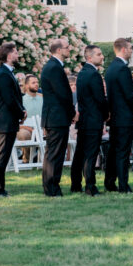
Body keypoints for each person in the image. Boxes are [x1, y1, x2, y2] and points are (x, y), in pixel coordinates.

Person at [104, 37, 133, 193]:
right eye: (131, 48)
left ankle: (110, 182)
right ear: (124, 49)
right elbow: (129, 94)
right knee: (122, 153)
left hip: (115, 117)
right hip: (124, 117)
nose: (132, 51)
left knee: (114, 152)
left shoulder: (111, 68)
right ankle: (123, 185)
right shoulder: (123, 69)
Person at [70, 45, 108, 195]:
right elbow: (100, 98)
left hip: (84, 119)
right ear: (90, 57)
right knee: (91, 154)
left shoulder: (82, 73)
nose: (102, 56)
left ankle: (75, 184)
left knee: (80, 153)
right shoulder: (93, 74)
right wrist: (106, 114)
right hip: (93, 119)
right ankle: (90, 186)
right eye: (99, 54)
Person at [40, 37, 76, 197]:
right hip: (56, 117)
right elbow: (63, 94)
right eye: (67, 47)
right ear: (59, 50)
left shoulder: (54, 66)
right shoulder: (54, 67)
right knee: (55, 154)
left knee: (54, 153)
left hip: (56, 116)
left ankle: (52, 186)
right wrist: (72, 113)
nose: (69, 50)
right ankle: (52, 187)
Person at [0, 41, 26, 197]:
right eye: (16, 52)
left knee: (3, 156)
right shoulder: (2, 74)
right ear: (8, 54)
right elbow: (9, 98)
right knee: (2, 156)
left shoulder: (7, 72)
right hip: (4, 121)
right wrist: (21, 112)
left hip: (8, 120)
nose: (18, 55)